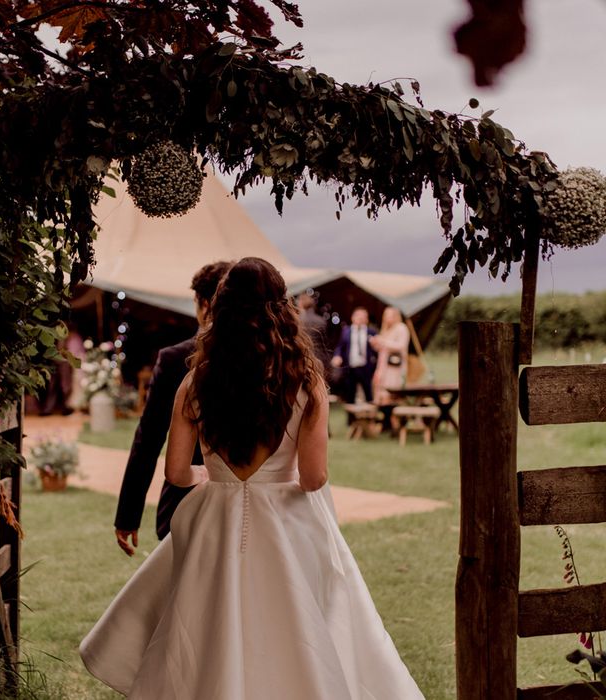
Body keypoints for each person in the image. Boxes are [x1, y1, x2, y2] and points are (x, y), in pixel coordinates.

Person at [80, 257, 424, 699]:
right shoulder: (306, 381)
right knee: (294, 627)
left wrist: (211, 475)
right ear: (281, 309)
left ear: (217, 308)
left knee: (207, 630)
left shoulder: (195, 381)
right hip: (285, 523)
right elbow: (315, 477)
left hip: (215, 518)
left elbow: (175, 472)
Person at [113, 261, 231, 552]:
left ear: (204, 304)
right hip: (245, 507)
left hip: (184, 501)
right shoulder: (266, 360)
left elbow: (148, 440)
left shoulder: (175, 359)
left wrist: (128, 515)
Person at [330, 306, 377, 404]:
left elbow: (376, 350)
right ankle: (351, 418)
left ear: (366, 319)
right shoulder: (346, 331)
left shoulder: (371, 332)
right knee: (350, 395)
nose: (360, 319)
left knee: (369, 395)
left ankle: (370, 417)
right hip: (350, 368)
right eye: (358, 316)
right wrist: (337, 356)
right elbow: (340, 346)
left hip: (366, 368)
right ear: (353, 317)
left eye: (363, 316)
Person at [370, 305, 410, 407]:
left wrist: (383, 341)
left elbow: (401, 346)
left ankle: (392, 419)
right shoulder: (386, 329)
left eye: (390, 315)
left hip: (394, 367)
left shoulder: (401, 328)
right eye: (386, 315)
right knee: (380, 394)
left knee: (390, 394)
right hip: (383, 367)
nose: (387, 318)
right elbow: (383, 349)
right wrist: (376, 344)